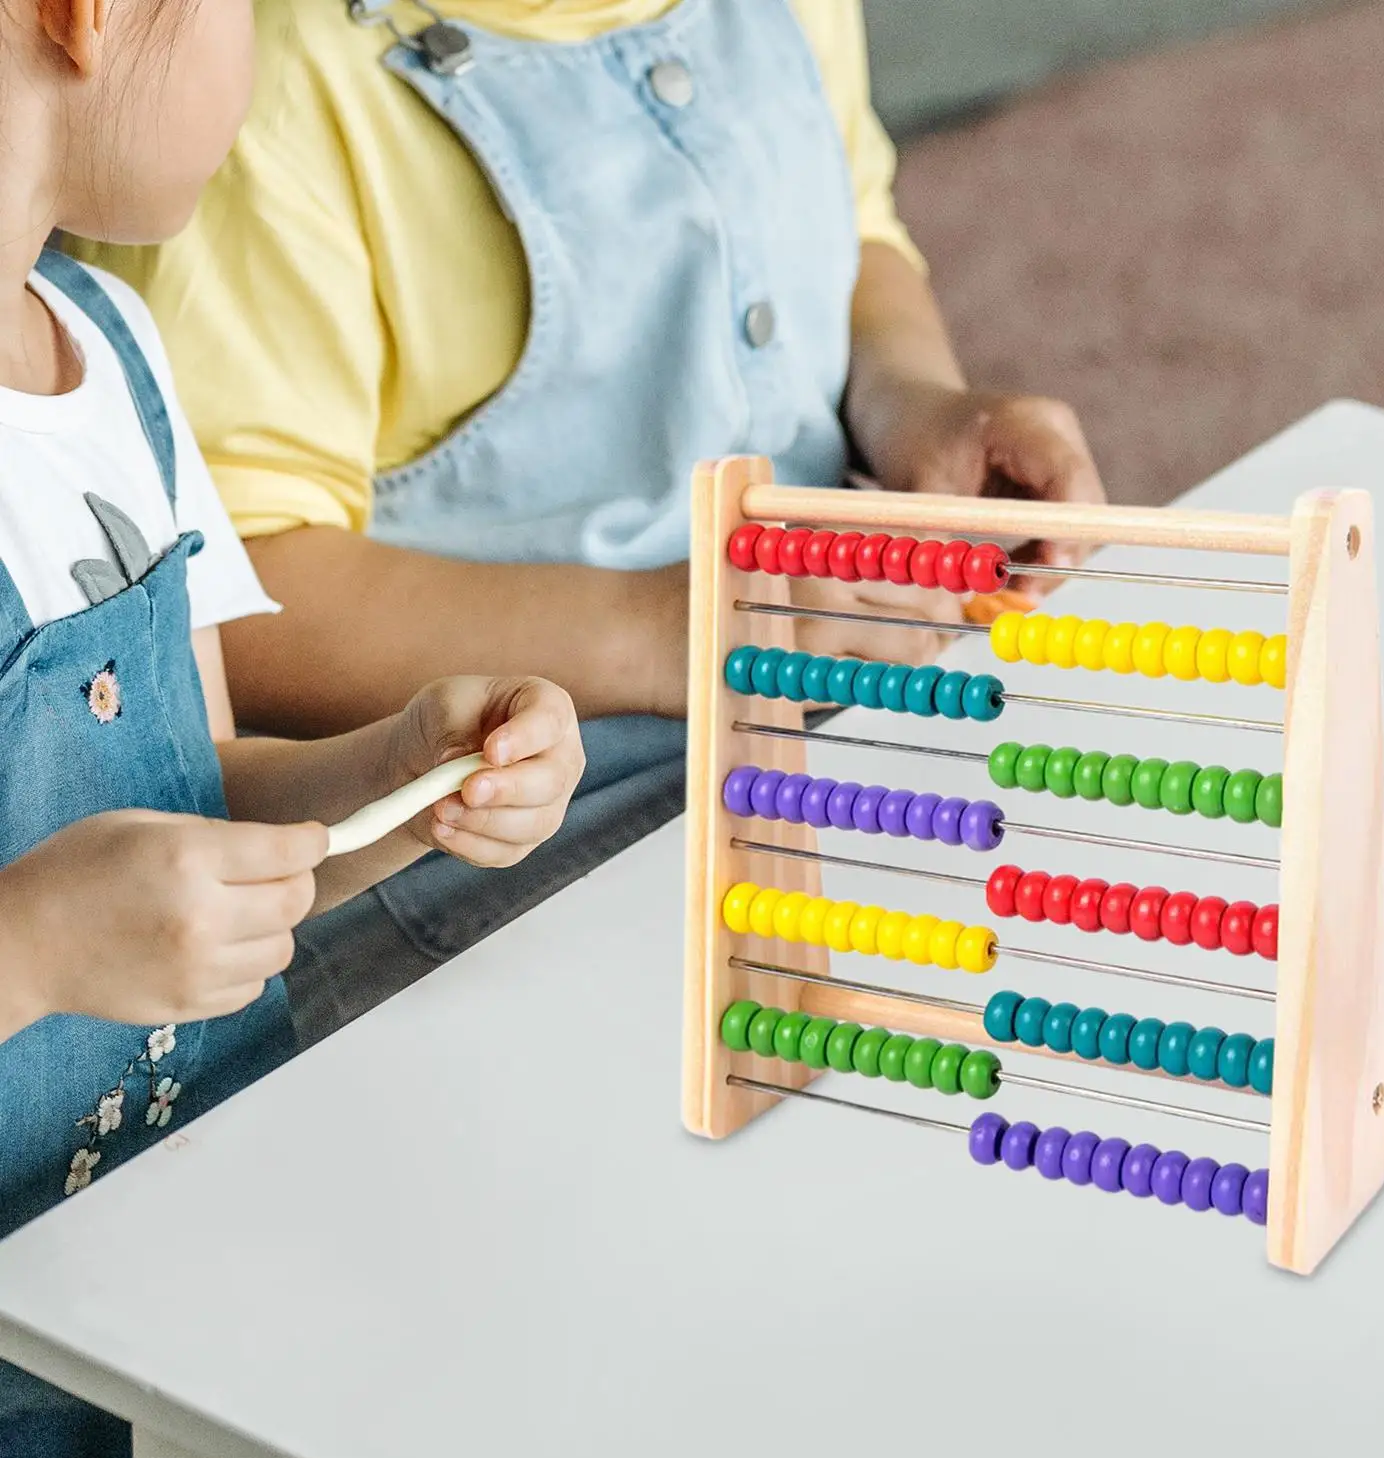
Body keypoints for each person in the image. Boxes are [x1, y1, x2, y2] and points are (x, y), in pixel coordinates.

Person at [77, 0, 1106, 1044]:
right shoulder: (262, 85)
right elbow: (229, 601)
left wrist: (919, 402)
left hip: (823, 695)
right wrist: (670, 628)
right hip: (480, 836)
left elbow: (855, 234)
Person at [0, 1, 583, 1458]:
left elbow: (208, 788)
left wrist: (400, 774)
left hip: (239, 1335)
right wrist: (39, 948)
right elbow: (86, 919)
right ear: (89, 20)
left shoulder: (108, 354)